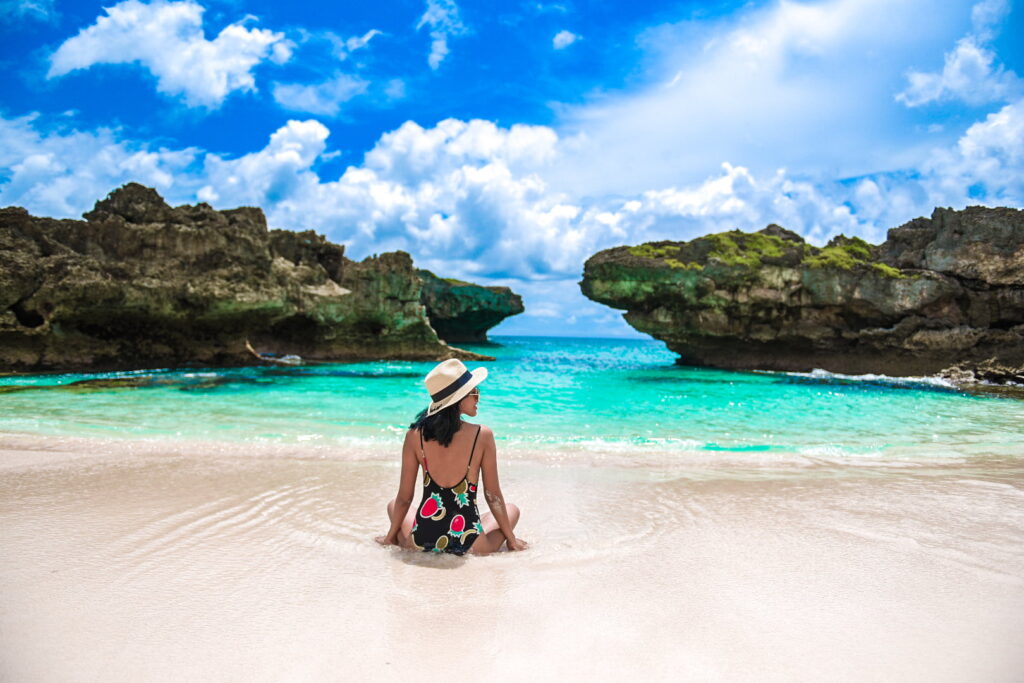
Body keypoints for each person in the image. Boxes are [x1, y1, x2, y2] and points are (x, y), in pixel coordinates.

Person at [376, 358, 527, 555]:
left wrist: (390, 537)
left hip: (423, 539)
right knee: (511, 509)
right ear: (460, 398)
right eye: (475, 393)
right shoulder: (482, 435)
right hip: (469, 544)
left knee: (394, 504)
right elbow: (493, 496)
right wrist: (511, 540)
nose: (478, 398)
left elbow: (405, 498)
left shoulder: (415, 436)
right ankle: (473, 526)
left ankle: (400, 537)